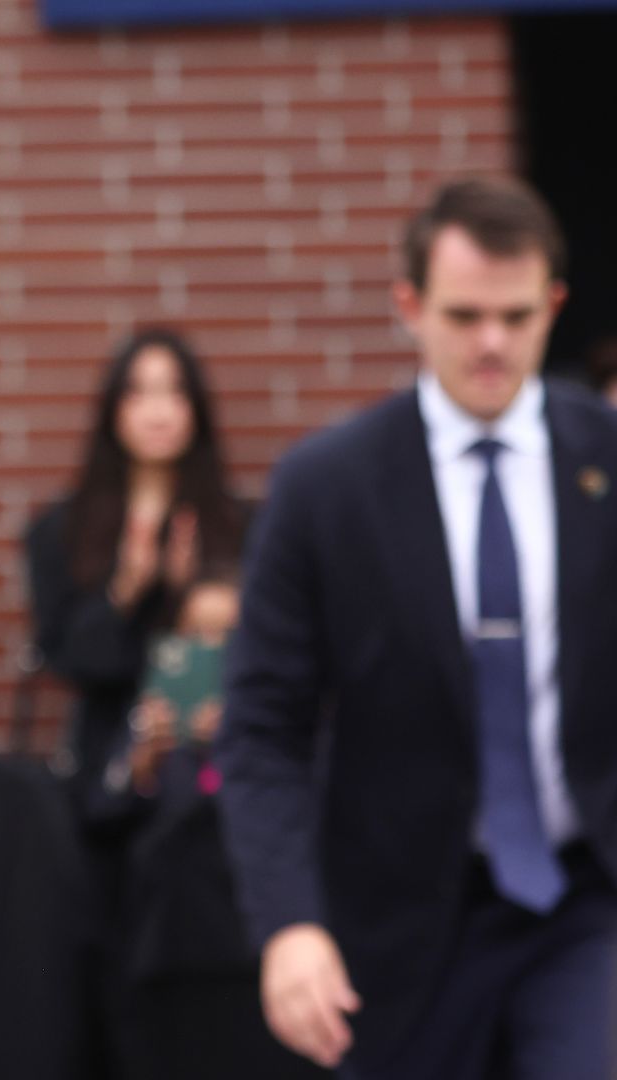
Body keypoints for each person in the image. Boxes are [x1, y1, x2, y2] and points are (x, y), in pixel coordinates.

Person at [218, 175, 617, 1079]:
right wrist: (288, 924)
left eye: (516, 316)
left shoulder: (604, 459)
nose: (491, 342)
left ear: (554, 305)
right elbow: (263, 728)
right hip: (397, 923)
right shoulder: (326, 489)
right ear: (410, 305)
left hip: (583, 896)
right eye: (464, 315)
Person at [26, 330, 313, 1080]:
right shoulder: (65, 528)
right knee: (113, 976)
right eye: (139, 392)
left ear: (197, 410)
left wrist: (193, 603)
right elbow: (74, 659)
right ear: (113, 411)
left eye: (174, 392)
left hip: (216, 787)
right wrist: (131, 584)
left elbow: (268, 646)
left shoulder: (238, 522)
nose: (157, 411)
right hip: (111, 790)